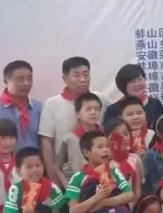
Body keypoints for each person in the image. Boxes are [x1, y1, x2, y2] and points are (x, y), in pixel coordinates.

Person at [39, 57, 111, 188]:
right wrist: (54, 181)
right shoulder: (52, 104)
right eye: (76, 75)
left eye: (86, 74)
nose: (82, 79)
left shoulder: (101, 99)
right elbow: (46, 143)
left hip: (102, 175)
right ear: (65, 78)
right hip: (67, 177)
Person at [0, 60, 42, 152]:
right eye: (20, 79)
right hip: (4, 160)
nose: (26, 83)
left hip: (34, 160)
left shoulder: (39, 108)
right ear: (6, 81)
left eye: (29, 79)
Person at [104, 64, 163, 128]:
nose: (137, 84)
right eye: (132, 81)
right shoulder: (113, 110)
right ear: (123, 85)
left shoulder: (156, 104)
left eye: (140, 79)